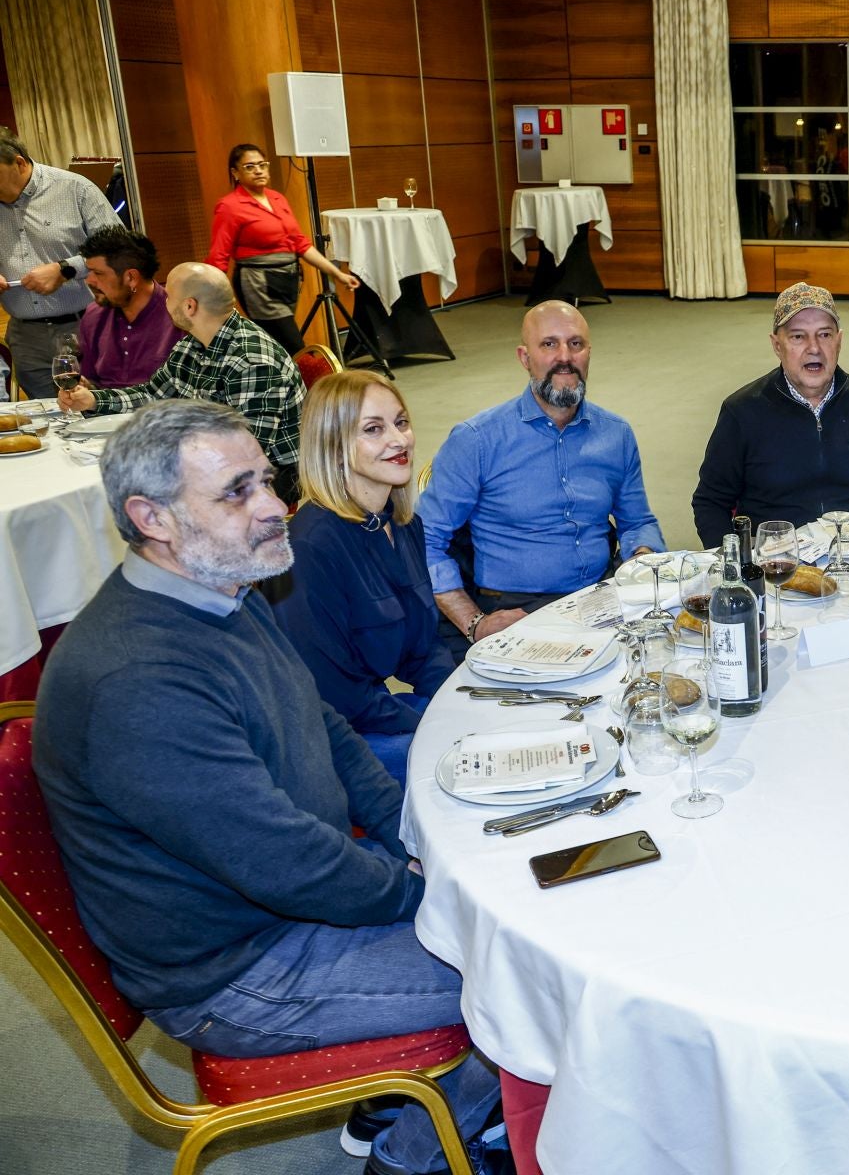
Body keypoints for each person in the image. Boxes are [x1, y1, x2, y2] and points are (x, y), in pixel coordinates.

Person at [31, 400, 508, 1175]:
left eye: (268, 482)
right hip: (239, 970)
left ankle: (407, 1095)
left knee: (504, 910)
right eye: (237, 492)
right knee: (530, 977)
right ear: (151, 517)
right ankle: (411, 1156)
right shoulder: (137, 679)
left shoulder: (220, 590)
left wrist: (412, 839)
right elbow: (287, 863)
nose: (275, 509)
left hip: (287, 910)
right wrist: (422, 891)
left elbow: (322, 726)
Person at [421, 301, 664, 649]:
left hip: (600, 599)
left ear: (588, 353)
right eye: (549, 344)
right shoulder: (477, 440)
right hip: (515, 610)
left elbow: (638, 520)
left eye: (575, 344)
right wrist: (475, 623)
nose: (564, 356)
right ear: (524, 357)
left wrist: (641, 557)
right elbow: (424, 540)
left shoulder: (616, 434)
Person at [278, 371, 454, 783]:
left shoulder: (403, 523)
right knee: (464, 763)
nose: (399, 440)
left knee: (502, 724)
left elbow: (423, 648)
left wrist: (458, 701)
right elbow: (333, 696)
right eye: (373, 429)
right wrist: (435, 724)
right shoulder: (309, 548)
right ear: (333, 446)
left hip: (376, 708)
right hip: (331, 734)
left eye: (401, 422)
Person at [58, 263, 306, 504]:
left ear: (189, 306)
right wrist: (93, 400)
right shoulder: (193, 343)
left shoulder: (251, 360)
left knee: (145, 497)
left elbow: (245, 451)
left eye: (169, 297)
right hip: (222, 459)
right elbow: (153, 394)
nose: (165, 303)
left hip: (273, 476)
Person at [691, 281, 849, 549]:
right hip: (777, 561)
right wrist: (734, 563)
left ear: (839, 341)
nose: (814, 348)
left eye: (824, 335)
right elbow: (710, 502)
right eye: (798, 337)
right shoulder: (742, 411)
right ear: (776, 345)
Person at [0, 126, 124, 397]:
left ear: (18, 162)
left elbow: (119, 248)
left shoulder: (74, 189)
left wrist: (65, 269)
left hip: (86, 327)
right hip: (27, 337)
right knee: (48, 421)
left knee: (100, 413)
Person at [205, 142, 359, 355]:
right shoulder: (230, 206)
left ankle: (280, 386)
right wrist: (215, 295)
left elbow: (301, 244)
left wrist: (337, 274)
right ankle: (312, 386)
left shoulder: (278, 198)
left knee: (277, 348)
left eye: (262, 164)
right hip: (258, 283)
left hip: (288, 279)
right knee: (294, 346)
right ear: (235, 172)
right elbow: (218, 256)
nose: (258, 170)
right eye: (250, 167)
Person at [74, 226, 180, 388]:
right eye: (89, 272)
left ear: (131, 277)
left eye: (98, 273)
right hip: (106, 410)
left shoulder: (179, 316)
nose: (89, 281)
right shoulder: (94, 315)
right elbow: (91, 381)